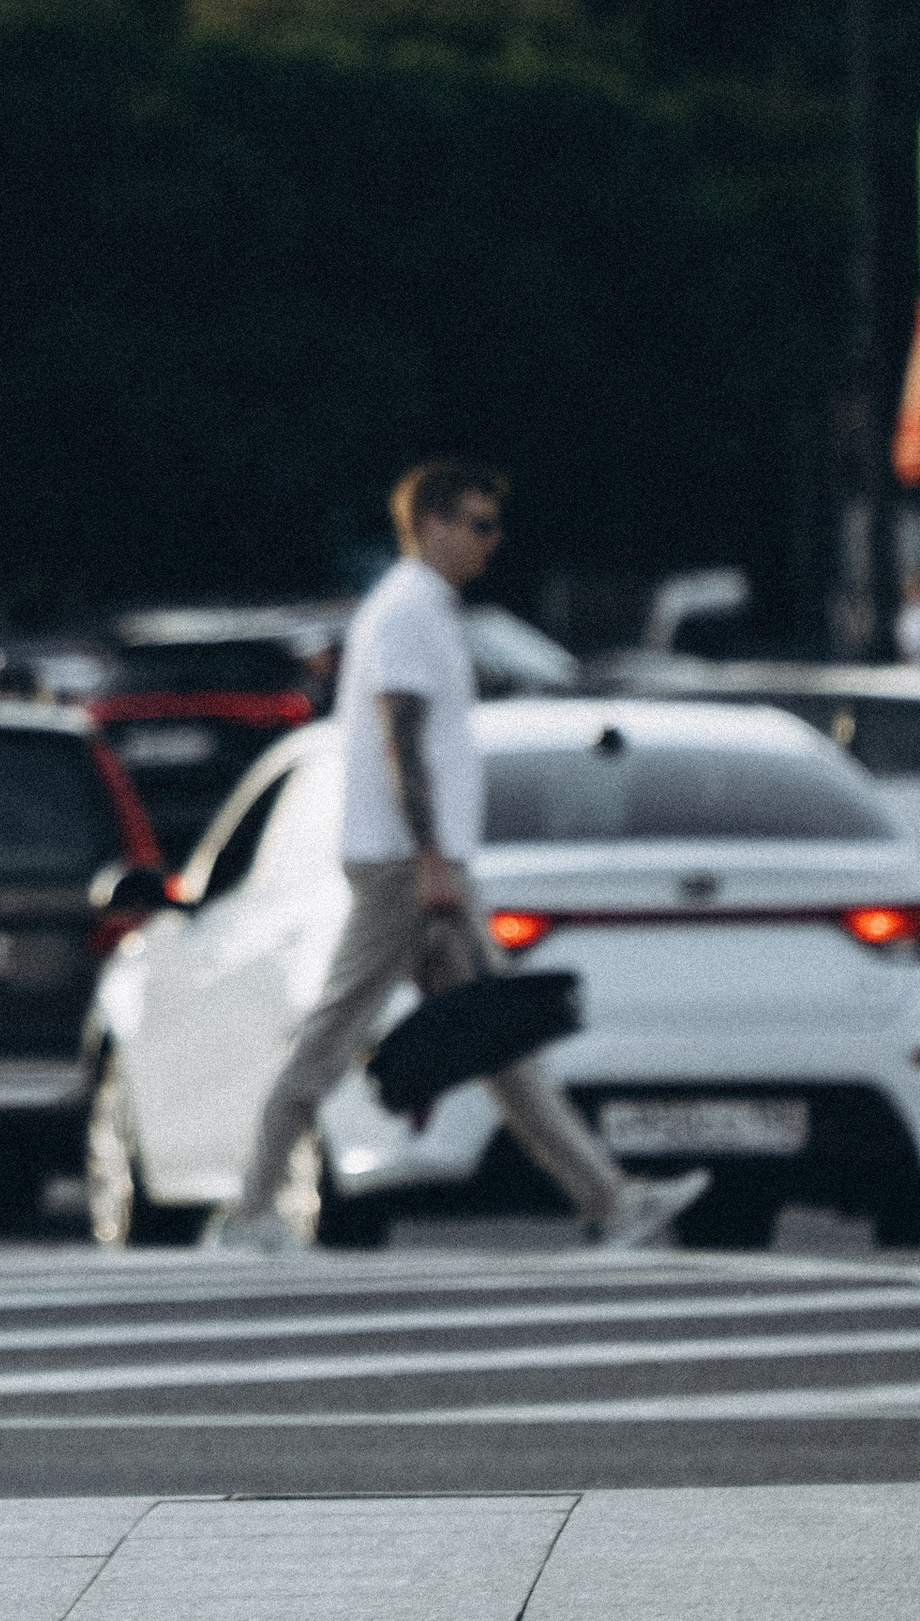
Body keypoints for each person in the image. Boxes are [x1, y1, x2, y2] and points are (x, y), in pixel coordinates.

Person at [206, 461, 709, 1257]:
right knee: (336, 1035)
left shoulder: (423, 611)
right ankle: (249, 1213)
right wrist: (434, 859)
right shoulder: (407, 611)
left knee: (495, 1034)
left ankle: (612, 1201)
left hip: (416, 862)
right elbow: (400, 737)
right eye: (478, 524)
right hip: (406, 867)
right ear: (432, 523)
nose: (491, 542)